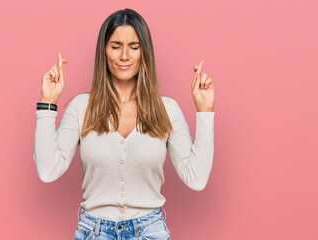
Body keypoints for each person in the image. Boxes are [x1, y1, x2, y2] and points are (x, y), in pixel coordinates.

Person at [33, 8, 215, 240]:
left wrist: (205, 111)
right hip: (93, 232)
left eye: (134, 47)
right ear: (104, 51)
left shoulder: (166, 109)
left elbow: (196, 178)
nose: (125, 56)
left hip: (150, 232)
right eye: (116, 46)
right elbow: (48, 171)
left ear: (144, 52)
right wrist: (47, 104)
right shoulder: (81, 107)